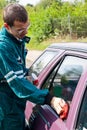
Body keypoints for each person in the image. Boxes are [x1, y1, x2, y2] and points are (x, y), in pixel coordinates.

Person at [0, 3, 67, 130]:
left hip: (17, 107)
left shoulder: (17, 40)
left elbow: (18, 71)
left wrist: (26, 75)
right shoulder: (3, 48)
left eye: (27, 27)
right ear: (7, 26)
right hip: (7, 112)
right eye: (20, 30)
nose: (25, 32)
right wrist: (50, 99)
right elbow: (17, 83)